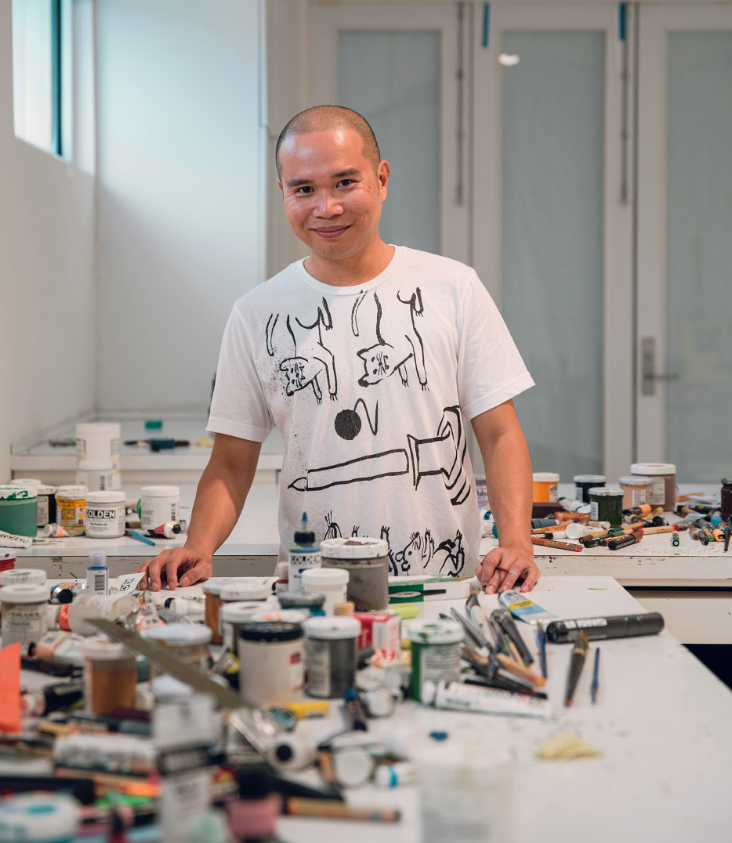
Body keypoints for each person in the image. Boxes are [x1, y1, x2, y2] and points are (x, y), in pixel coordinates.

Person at [137, 105, 539, 596]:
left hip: (445, 585)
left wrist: (518, 541)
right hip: (314, 592)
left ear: (382, 178)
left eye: (345, 183)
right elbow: (230, 460)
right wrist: (198, 547)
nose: (326, 208)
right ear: (282, 191)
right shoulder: (255, 313)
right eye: (304, 189)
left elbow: (499, 434)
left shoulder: (453, 287)